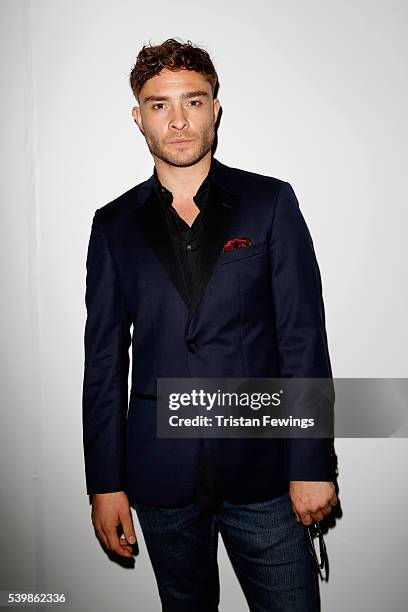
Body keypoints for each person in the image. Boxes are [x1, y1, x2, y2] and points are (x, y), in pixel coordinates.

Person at [82, 37, 338, 611]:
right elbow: (102, 363)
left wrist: (311, 462)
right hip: (158, 481)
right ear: (138, 117)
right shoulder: (113, 226)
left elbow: (303, 339)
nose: (177, 120)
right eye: (159, 104)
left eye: (193, 101)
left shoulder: (270, 202)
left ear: (215, 107)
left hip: (267, 476)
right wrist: (105, 482)